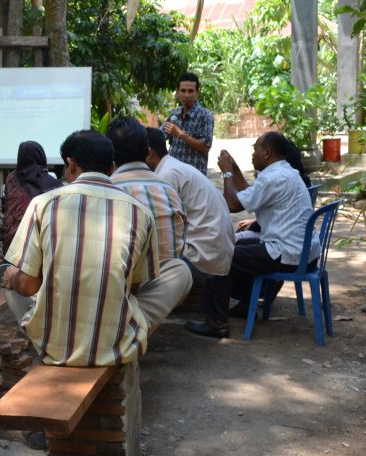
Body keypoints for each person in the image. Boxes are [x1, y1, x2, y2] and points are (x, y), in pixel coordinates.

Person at [2, 130, 193, 368]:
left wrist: (14, 278)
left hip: (52, 345)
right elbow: (132, 286)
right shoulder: (139, 213)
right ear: (112, 168)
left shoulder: (43, 204)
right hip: (115, 345)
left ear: (70, 164)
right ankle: (121, 330)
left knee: (12, 278)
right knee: (179, 270)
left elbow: (29, 285)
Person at [185, 131, 319, 339]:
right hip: (303, 252)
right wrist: (236, 169)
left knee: (220, 254)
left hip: (286, 253)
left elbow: (232, 204)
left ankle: (216, 322)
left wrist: (227, 173)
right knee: (237, 248)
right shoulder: (285, 172)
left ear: (267, 153)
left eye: (255, 149)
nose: (252, 154)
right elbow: (250, 194)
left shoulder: (273, 178)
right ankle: (247, 301)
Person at [144, 127, 235, 328]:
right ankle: (214, 318)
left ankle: (142, 320)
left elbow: (164, 227)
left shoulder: (166, 176)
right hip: (214, 246)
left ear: (149, 153)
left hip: (205, 251)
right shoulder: (172, 167)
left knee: (144, 261)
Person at [107, 117, 186, 262]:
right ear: (148, 152)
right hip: (173, 280)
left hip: (129, 282)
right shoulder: (169, 190)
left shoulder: (108, 192)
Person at [2, 141, 61, 254]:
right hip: (35, 247)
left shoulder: (11, 178)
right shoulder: (51, 184)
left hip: (10, 242)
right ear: (41, 156)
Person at [162, 72, 214, 174]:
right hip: (173, 173)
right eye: (183, 91)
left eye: (190, 91)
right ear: (177, 92)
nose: (186, 95)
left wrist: (181, 134)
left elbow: (206, 147)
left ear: (197, 92)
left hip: (194, 176)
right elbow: (161, 136)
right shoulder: (174, 113)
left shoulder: (206, 115)